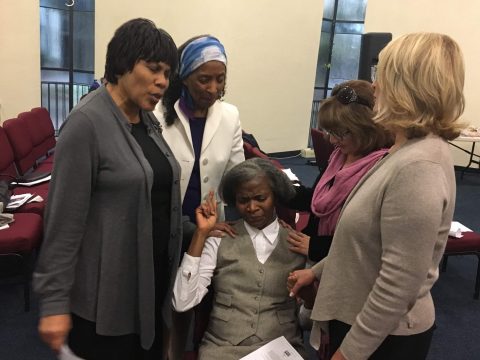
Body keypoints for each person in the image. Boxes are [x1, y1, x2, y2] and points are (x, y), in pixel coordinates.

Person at [289, 32, 465, 360]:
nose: (375, 87)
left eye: (380, 76)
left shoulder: (419, 165)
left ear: (406, 88)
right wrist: (316, 272)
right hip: (362, 322)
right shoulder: (404, 150)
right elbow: (369, 245)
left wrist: (348, 354)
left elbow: (399, 284)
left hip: (383, 339)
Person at [34, 18, 182, 360]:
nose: (162, 82)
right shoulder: (86, 123)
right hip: (107, 296)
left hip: (151, 281)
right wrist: (55, 302)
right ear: (123, 63)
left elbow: (154, 194)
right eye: (154, 69)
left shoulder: (146, 119)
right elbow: (62, 223)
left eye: (168, 73)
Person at [173, 158, 307, 359]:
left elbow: (310, 321)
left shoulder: (299, 245)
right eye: (243, 200)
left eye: (261, 198)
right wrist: (201, 234)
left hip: (281, 348)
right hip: (223, 349)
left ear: (276, 196)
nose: (252, 207)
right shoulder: (220, 239)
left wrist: (311, 300)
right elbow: (182, 302)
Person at [286, 80, 391, 262]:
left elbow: (368, 239)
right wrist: (277, 187)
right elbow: (318, 201)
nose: (332, 140)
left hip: (340, 261)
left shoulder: (382, 168)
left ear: (366, 127)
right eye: (330, 131)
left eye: (341, 132)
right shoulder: (340, 156)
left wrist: (317, 247)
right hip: (315, 249)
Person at [154, 34, 244, 226]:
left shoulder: (230, 116)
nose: (213, 89)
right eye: (204, 79)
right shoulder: (156, 114)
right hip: (164, 224)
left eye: (220, 79)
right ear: (185, 77)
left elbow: (237, 177)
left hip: (210, 226)